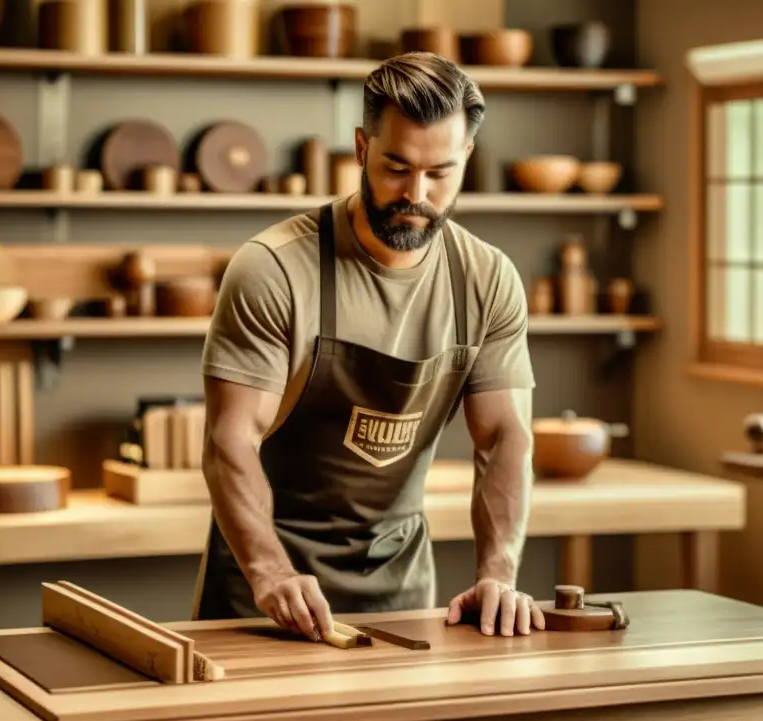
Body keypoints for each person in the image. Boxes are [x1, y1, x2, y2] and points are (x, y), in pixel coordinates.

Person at [192, 51, 544, 654]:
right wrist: (270, 573)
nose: (416, 193)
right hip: (263, 592)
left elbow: (504, 438)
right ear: (361, 148)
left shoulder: (487, 279)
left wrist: (498, 575)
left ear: (467, 161)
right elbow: (230, 442)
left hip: (401, 592)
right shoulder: (274, 269)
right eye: (397, 167)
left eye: (440, 173)